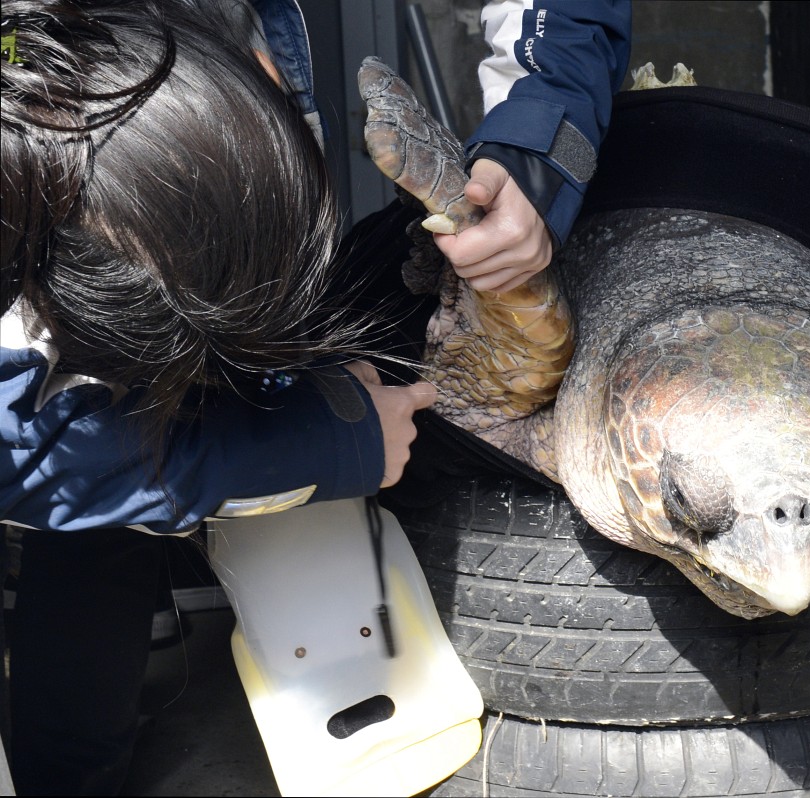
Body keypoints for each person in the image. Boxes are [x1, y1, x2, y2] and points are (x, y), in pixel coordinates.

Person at [0, 0, 632, 793]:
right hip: (94, 175)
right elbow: (20, 453)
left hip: (169, 134)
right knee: (94, 536)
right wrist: (310, 447)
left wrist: (544, 141)